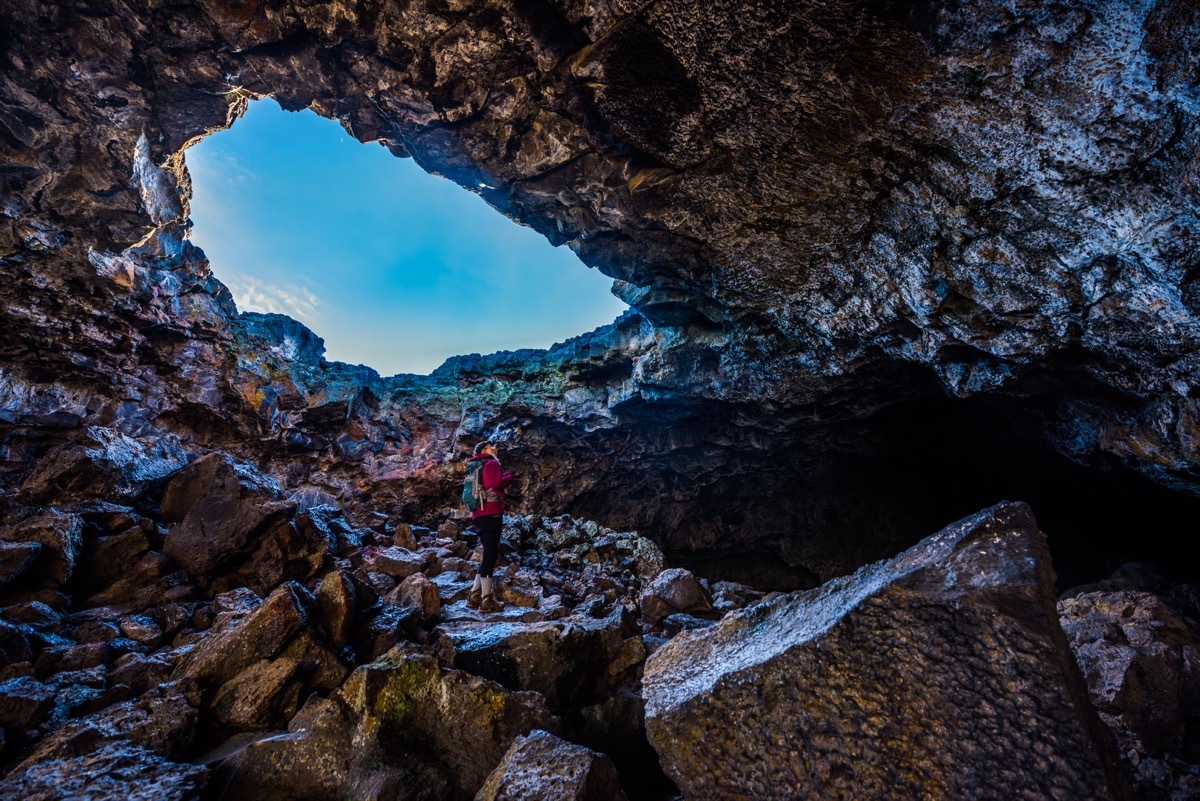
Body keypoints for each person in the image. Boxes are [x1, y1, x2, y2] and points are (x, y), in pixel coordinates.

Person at [467, 440, 513, 612]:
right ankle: (487, 600)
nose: (494, 448)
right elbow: (497, 483)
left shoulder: (476, 466)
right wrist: (508, 476)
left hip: (479, 514)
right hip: (491, 512)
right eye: (491, 446)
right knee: (491, 555)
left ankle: (474, 596)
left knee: (488, 555)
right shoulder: (491, 463)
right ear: (485, 450)